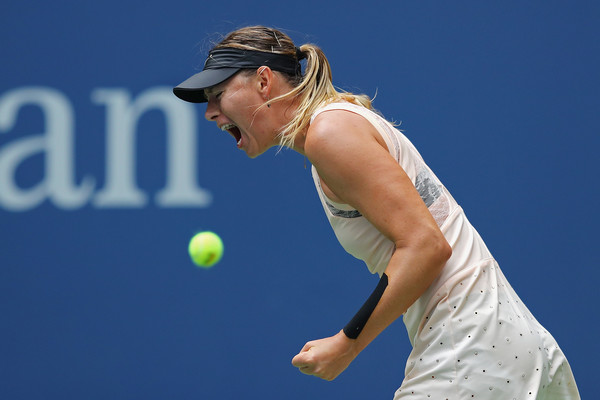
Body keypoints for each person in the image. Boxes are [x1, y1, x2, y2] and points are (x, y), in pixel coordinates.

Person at [173, 26, 580, 399]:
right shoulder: (337, 126)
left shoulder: (329, 133)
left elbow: (426, 245)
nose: (210, 112)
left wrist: (345, 344)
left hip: (473, 354)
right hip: (514, 346)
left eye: (218, 94)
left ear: (263, 81)